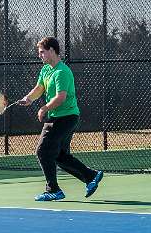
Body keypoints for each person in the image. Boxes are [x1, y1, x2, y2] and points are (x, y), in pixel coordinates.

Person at [17, 37, 103, 201]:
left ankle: (53, 190)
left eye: (42, 52)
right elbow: (39, 88)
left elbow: (60, 97)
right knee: (58, 155)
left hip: (65, 117)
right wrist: (29, 98)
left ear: (51, 50)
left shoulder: (62, 72)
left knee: (43, 151)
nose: (40, 55)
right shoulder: (46, 70)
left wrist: (44, 108)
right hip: (60, 117)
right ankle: (91, 176)